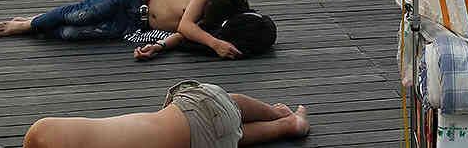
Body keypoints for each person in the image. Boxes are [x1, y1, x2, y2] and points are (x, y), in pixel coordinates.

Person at [0, 0, 271, 61]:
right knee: (81, 14)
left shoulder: (215, 23)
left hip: (136, 25)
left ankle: (39, 23)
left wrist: (158, 48)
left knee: (72, 34)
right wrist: (215, 44)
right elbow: (187, 26)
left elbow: (183, 35)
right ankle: (28, 24)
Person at [22, 81, 310, 148]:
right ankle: (275, 112)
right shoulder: (41, 132)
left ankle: (287, 125)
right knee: (226, 103)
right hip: (202, 107)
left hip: (207, 143)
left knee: (229, 134)